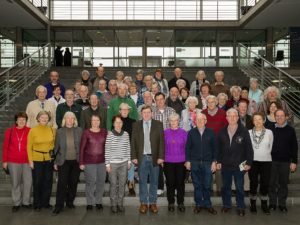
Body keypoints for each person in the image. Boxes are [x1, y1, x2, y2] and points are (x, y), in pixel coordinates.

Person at [217, 108, 253, 217]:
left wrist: (249, 163)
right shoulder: (221, 131)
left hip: (240, 165)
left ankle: (241, 206)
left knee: (239, 187)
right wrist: (218, 161)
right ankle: (227, 205)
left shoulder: (244, 131)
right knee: (226, 187)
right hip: (226, 164)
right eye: (230, 116)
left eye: (234, 116)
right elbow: (218, 148)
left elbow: (249, 149)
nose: (232, 118)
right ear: (226, 118)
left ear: (238, 118)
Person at [131, 105, 165, 214]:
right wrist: (134, 156)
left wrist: (161, 157)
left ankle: (153, 203)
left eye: (148, 112)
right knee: (142, 182)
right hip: (142, 158)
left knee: (154, 181)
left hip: (155, 157)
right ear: (141, 114)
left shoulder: (158, 124)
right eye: (144, 112)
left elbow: (161, 142)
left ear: (152, 113)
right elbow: (133, 142)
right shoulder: (136, 125)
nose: (146, 114)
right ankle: (144, 203)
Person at [185, 113, 218, 215]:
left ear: (205, 121)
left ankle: (208, 204)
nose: (199, 121)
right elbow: (187, 148)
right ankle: (198, 204)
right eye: (197, 120)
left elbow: (215, 148)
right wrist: (188, 160)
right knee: (197, 186)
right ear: (195, 121)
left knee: (207, 185)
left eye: (201, 119)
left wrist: (214, 161)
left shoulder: (211, 132)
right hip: (194, 163)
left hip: (208, 163)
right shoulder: (191, 132)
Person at [52, 112, 82, 215]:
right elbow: (56, 148)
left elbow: (82, 148)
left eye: (72, 118)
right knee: (62, 184)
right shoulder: (60, 131)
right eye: (68, 118)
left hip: (76, 161)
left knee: (73, 183)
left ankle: (69, 202)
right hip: (63, 161)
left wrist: (83, 161)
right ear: (65, 119)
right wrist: (55, 161)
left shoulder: (79, 130)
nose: (70, 120)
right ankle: (58, 205)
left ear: (74, 120)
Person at [268, 109, 298, 213]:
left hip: (285, 162)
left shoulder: (290, 130)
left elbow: (294, 147)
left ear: (285, 117)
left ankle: (282, 204)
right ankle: (272, 203)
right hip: (272, 161)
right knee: (271, 183)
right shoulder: (270, 129)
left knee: (283, 183)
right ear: (274, 117)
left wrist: (294, 161)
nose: (279, 118)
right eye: (277, 116)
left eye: (281, 116)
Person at [2, 112, 31, 212]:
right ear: (16, 121)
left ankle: (26, 202)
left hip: (27, 161)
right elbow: (5, 147)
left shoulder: (30, 131)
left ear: (26, 121)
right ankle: (16, 203)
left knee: (28, 182)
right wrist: (4, 161)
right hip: (13, 161)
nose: (22, 121)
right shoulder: (9, 131)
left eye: (24, 119)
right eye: (20, 119)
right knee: (15, 182)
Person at [27, 110, 56, 211]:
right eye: (42, 117)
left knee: (48, 181)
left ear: (48, 119)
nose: (44, 119)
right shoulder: (33, 130)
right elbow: (28, 146)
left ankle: (46, 203)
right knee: (38, 181)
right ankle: (37, 203)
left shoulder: (52, 130)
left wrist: (54, 160)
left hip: (49, 159)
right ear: (38, 119)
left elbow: (53, 145)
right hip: (37, 159)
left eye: (46, 117)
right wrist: (30, 161)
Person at [79, 115, 108, 210]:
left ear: (100, 121)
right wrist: (81, 162)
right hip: (89, 162)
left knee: (101, 182)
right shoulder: (86, 133)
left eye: (97, 120)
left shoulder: (104, 132)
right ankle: (90, 202)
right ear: (91, 122)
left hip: (102, 162)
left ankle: (99, 201)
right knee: (90, 183)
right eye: (93, 120)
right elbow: (82, 148)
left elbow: (108, 147)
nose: (95, 122)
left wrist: (108, 162)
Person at [202, 95, 228, 195]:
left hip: (220, 144)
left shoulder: (222, 113)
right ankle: (209, 188)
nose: (211, 104)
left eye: (213, 102)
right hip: (206, 145)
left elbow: (226, 128)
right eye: (209, 102)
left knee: (218, 167)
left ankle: (220, 188)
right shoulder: (203, 113)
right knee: (208, 167)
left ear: (216, 102)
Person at [248, 112, 273, 215]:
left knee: (265, 183)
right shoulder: (249, 132)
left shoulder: (269, 132)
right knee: (253, 183)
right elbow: (247, 149)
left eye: (259, 119)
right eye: (255, 119)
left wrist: (264, 154)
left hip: (266, 161)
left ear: (263, 120)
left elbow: (270, 147)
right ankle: (252, 204)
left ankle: (264, 204)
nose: (257, 121)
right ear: (253, 122)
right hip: (253, 161)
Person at [105, 115, 131, 213]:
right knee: (113, 184)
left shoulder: (126, 134)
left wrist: (128, 161)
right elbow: (107, 150)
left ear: (122, 123)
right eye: (116, 122)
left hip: (124, 163)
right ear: (113, 124)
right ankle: (113, 204)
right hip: (113, 164)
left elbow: (128, 147)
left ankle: (120, 203)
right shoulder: (110, 135)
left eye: (120, 122)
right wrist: (107, 164)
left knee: (122, 184)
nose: (118, 124)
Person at [152, 92, 176, 195]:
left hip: (170, 142)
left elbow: (175, 126)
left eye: (161, 99)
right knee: (158, 165)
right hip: (157, 142)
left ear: (164, 99)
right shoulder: (152, 112)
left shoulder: (171, 111)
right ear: (155, 101)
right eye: (157, 100)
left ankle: (172, 187)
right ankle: (160, 186)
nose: (159, 101)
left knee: (170, 166)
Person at [163, 114, 187, 212]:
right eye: (171, 121)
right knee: (170, 183)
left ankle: (180, 202)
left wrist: (187, 160)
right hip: (168, 161)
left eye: (175, 120)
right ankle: (171, 202)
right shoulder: (164, 133)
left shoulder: (184, 133)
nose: (173, 122)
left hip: (181, 162)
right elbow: (162, 147)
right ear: (169, 122)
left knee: (180, 183)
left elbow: (188, 148)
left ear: (178, 121)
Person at [119, 103, 137, 196]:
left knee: (131, 169)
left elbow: (135, 137)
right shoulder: (116, 121)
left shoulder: (133, 122)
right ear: (120, 111)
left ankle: (131, 187)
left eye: (126, 109)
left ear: (129, 111)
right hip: (118, 149)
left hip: (130, 148)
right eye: (123, 109)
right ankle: (120, 187)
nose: (125, 111)